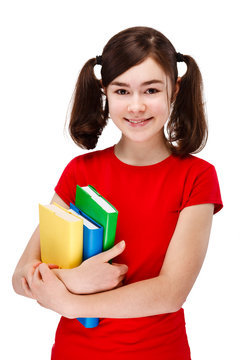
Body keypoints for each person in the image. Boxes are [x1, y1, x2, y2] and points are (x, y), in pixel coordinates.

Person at [12, 26, 223, 359]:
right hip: (74, 351)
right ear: (105, 94)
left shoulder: (197, 177)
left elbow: (170, 293)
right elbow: (22, 275)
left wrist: (68, 301)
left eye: (151, 89)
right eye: (122, 91)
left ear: (175, 90)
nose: (136, 105)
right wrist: (75, 279)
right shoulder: (80, 172)